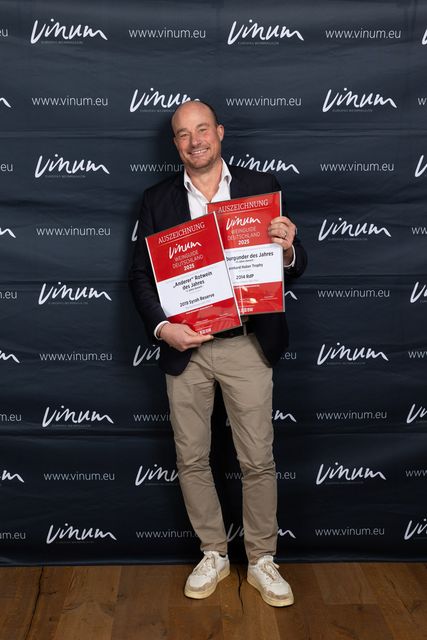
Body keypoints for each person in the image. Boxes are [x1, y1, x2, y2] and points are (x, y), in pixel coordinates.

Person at [129, 100, 307, 607]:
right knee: (191, 458)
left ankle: (262, 559)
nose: (195, 141)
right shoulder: (157, 199)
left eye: (202, 129)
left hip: (247, 344)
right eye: (184, 134)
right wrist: (164, 328)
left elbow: (293, 266)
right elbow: (140, 276)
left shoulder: (259, 187)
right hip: (187, 347)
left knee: (258, 459)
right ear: (175, 144)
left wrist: (288, 249)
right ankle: (213, 553)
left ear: (220, 133)